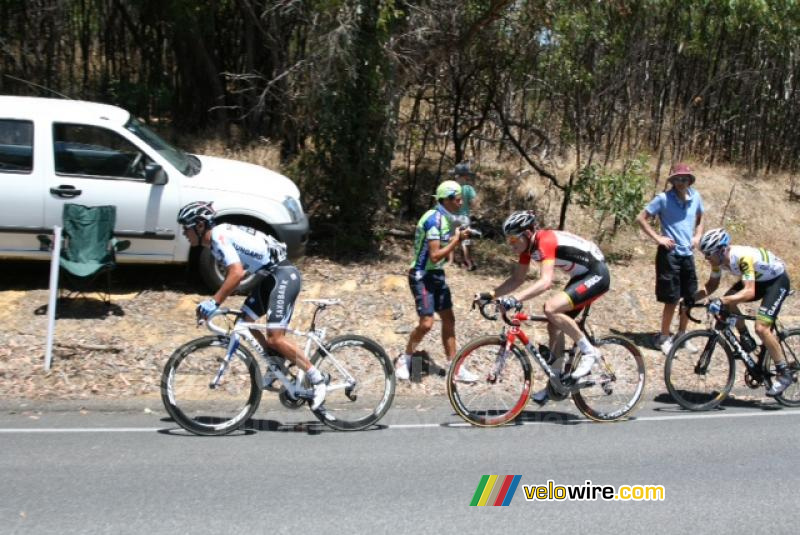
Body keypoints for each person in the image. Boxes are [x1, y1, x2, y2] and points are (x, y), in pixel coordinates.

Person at [177, 201, 327, 410]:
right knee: (244, 322)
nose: (184, 233)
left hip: (283, 276)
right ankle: (277, 365)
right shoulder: (216, 241)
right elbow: (245, 266)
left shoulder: (219, 237)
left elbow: (236, 273)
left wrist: (215, 301)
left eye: (187, 227)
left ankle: (317, 380)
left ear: (200, 226)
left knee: (275, 338)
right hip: (269, 276)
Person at [478, 210, 611, 403]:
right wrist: (490, 295)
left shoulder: (545, 240)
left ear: (528, 233)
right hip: (581, 277)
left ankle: (590, 352)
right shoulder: (527, 249)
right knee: (553, 325)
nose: (511, 244)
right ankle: (555, 384)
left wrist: (515, 299)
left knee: (550, 307)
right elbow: (517, 278)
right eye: (509, 241)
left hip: (597, 273)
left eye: (514, 239)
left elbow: (546, 281)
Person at [694, 228, 794, 396]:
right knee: (728, 300)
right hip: (760, 279)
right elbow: (711, 285)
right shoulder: (718, 262)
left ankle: (784, 373)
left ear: (720, 250)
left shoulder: (741, 258)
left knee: (761, 328)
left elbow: (749, 292)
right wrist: (690, 299)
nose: (706, 258)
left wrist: (721, 301)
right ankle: (744, 335)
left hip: (777, 281)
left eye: (708, 254)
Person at [396, 180, 475, 382]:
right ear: (447, 200)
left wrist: (458, 238)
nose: (460, 203)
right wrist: (456, 241)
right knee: (426, 324)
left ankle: (455, 367)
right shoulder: (434, 220)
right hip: (421, 275)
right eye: (458, 200)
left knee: (449, 319)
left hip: (437, 275)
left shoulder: (446, 218)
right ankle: (405, 359)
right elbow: (434, 256)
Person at [636, 162, 704, 354]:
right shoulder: (663, 199)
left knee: (689, 297)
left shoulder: (696, 196)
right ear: (672, 180)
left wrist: (697, 236)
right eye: (677, 179)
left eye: (684, 179)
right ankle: (664, 337)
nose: (681, 182)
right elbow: (641, 218)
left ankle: (682, 335)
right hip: (669, 254)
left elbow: (700, 217)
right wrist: (658, 238)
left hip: (687, 254)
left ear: (690, 180)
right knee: (671, 299)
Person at [450, 163, 478, 271]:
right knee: (464, 241)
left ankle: (451, 262)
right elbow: (473, 203)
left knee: (452, 239)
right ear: (466, 176)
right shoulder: (468, 188)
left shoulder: (451, 188)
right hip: (465, 217)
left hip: (453, 217)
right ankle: (467, 262)